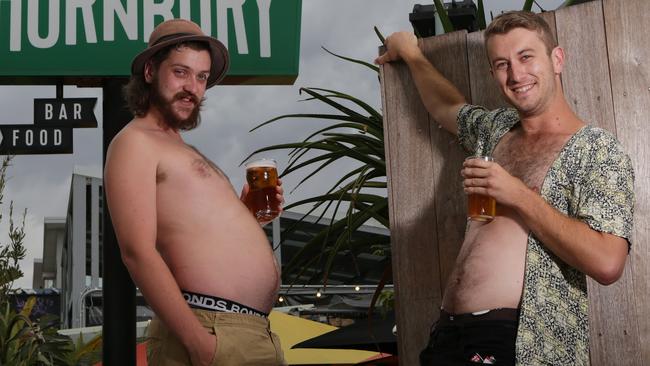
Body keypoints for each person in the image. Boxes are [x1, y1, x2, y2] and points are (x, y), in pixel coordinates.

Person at [376, 10, 634, 366]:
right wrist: (410, 52)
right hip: (449, 334)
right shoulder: (495, 129)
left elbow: (608, 263)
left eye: (526, 57)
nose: (516, 74)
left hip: (521, 342)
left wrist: (517, 195)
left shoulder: (597, 149)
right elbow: (445, 107)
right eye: (502, 64)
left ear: (556, 59)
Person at [104, 19, 286, 366]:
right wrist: (199, 344)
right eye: (181, 72)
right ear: (149, 71)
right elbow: (136, 252)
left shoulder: (180, 147)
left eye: (201, 77)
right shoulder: (135, 142)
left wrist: (248, 215)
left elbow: (198, 237)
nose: (193, 87)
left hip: (251, 333)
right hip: (209, 332)